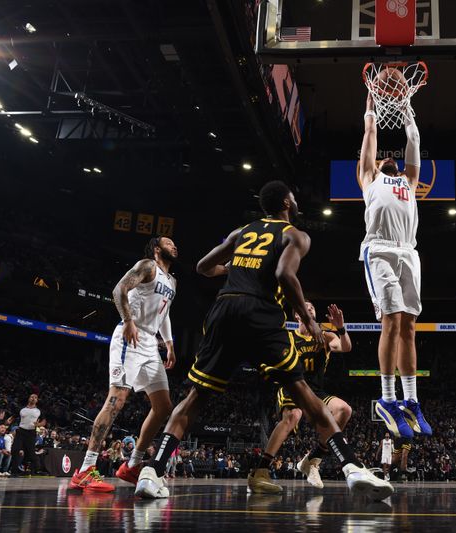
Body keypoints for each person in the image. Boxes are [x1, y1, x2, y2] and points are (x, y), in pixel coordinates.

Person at [134, 181, 392, 501]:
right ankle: (352, 468)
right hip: (260, 312)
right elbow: (285, 274)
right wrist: (309, 319)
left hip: (224, 308)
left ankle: (152, 471)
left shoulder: (242, 231)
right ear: (286, 203)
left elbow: (202, 267)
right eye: (294, 198)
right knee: (302, 393)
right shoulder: (295, 234)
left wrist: (232, 268)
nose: (296, 202)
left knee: (196, 397)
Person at [69, 236, 178, 493]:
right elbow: (119, 290)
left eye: (175, 244)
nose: (175, 246)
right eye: (169, 243)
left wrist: (170, 343)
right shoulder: (147, 266)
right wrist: (128, 320)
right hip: (131, 335)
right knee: (117, 399)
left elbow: (164, 313)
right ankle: (85, 469)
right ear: (156, 248)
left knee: (163, 407)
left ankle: (132, 464)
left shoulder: (172, 281)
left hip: (151, 343)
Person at [359, 93, 431, 439]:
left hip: (409, 252)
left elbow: (414, 138)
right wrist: (372, 102)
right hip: (380, 251)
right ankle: (387, 399)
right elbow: (371, 135)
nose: (389, 158)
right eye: (382, 159)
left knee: (409, 328)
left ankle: (411, 401)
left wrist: (405, 105)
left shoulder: (409, 182)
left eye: (393, 158)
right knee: (390, 322)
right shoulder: (369, 179)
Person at [258, 301, 353, 492]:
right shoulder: (289, 336)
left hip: (316, 391)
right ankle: (260, 470)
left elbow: (345, 347)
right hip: (293, 386)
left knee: (344, 410)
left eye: (312, 307)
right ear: (297, 315)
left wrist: (341, 328)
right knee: (293, 416)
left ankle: (312, 460)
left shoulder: (326, 336)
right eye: (305, 306)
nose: (309, 308)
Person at [11, 394, 45, 476]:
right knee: (15, 450)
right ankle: (14, 472)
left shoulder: (39, 410)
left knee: (31, 453)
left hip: (31, 432)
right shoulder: (22, 409)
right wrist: (9, 421)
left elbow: (44, 422)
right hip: (21, 431)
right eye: (32, 397)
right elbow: (14, 417)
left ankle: (35, 470)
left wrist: (38, 424)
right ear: (29, 398)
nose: (33, 399)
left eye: (35, 398)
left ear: (37, 400)